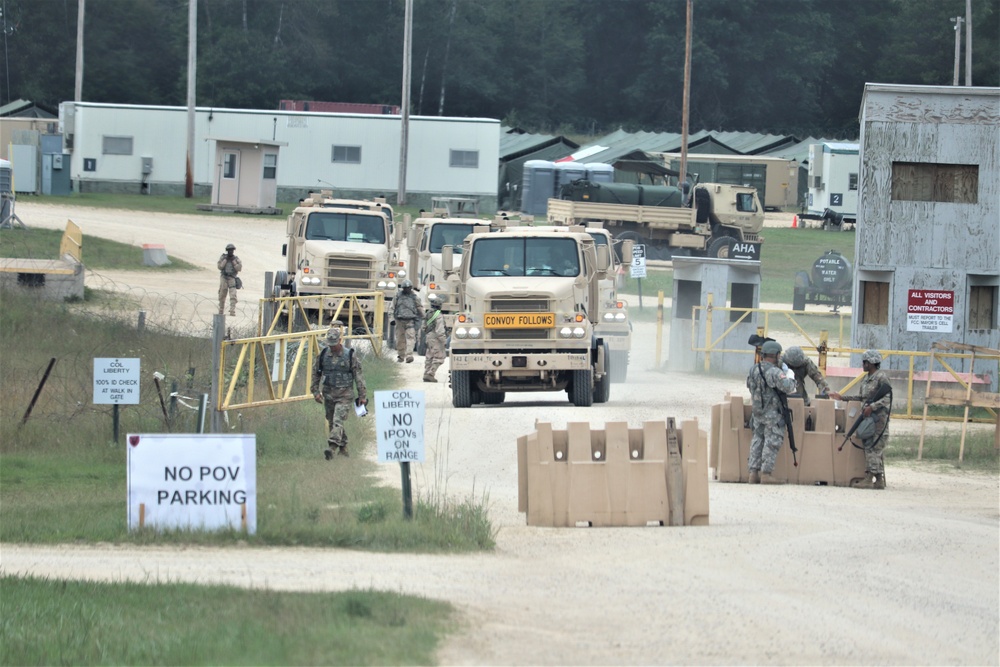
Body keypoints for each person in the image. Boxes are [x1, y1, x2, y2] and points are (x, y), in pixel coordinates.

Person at [829, 350, 891, 489]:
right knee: (869, 444)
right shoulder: (867, 378)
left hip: (878, 418)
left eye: (865, 362)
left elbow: (888, 398)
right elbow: (862, 398)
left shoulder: (881, 377)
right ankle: (879, 479)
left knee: (873, 447)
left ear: (871, 363)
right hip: (869, 417)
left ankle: (869, 478)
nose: (863, 365)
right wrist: (842, 397)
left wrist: (873, 407)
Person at [311, 327, 367, 460]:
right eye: (330, 344)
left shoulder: (350, 355)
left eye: (335, 344)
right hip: (329, 394)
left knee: (338, 420)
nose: (333, 347)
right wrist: (315, 392)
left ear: (340, 340)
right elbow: (316, 374)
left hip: (345, 395)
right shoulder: (323, 355)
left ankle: (332, 448)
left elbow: (358, 376)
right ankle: (343, 448)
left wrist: (362, 395)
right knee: (332, 423)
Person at [746, 340, 797, 484]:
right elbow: (789, 387)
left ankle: (753, 473)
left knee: (757, 440)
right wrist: (790, 375)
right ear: (776, 355)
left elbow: (749, 386)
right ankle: (766, 475)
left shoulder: (753, 370)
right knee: (772, 442)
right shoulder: (775, 372)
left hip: (757, 413)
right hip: (772, 414)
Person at [392, 279, 423, 363]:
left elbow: (419, 307)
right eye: (406, 288)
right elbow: (392, 308)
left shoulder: (414, 297)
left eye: (408, 287)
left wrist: (423, 317)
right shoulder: (397, 296)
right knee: (400, 339)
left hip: (410, 320)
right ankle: (401, 356)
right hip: (399, 321)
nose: (407, 289)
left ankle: (409, 355)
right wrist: (392, 319)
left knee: (411, 338)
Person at [423, 295, 448, 382]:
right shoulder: (438, 315)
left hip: (428, 337)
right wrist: (444, 341)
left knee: (429, 356)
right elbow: (440, 330)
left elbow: (423, 327)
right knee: (439, 357)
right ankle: (431, 374)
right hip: (436, 338)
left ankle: (426, 373)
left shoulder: (428, 313)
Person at [217, 243, 242, 316]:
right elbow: (220, 267)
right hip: (224, 277)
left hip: (232, 278)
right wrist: (225, 260)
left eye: (232, 250)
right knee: (222, 294)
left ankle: (232, 310)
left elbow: (239, 268)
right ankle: (221, 310)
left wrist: (233, 261)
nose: (230, 252)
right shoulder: (223, 258)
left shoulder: (236, 259)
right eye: (229, 250)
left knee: (233, 295)